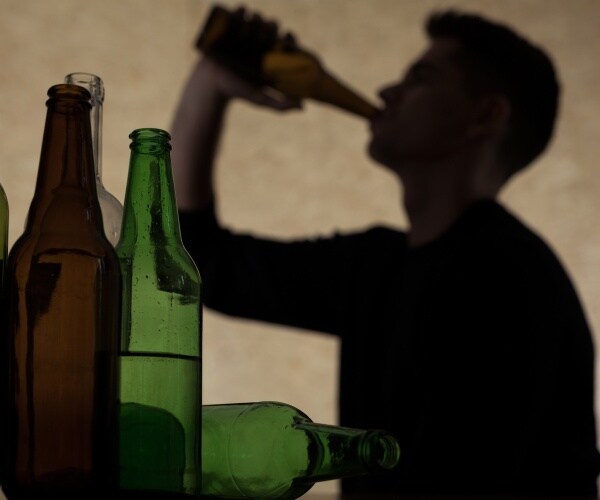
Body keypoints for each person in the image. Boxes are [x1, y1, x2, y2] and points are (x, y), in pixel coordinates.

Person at [171, 7, 600, 496]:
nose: (384, 93)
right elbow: (204, 263)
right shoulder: (376, 266)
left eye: (419, 79)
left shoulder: (504, 277)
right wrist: (211, 82)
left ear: (485, 115)